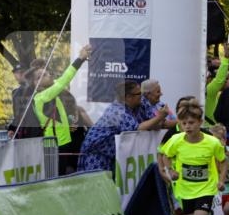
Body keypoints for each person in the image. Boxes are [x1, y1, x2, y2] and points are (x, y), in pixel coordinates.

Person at [78, 80, 168, 173]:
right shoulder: (117, 111)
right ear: (128, 97)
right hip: (96, 155)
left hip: (108, 155)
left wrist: (158, 120)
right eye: (139, 94)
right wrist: (160, 117)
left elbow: (151, 124)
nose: (142, 97)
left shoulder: (133, 107)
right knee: (99, 185)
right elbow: (137, 128)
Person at [32, 45, 92, 174]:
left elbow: (63, 79)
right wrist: (80, 59)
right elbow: (64, 80)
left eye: (47, 73)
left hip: (63, 142)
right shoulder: (41, 98)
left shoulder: (51, 91)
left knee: (63, 176)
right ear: (36, 83)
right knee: (55, 178)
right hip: (53, 145)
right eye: (43, 75)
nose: (49, 75)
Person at [205, 40, 229, 124]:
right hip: (211, 130)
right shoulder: (208, 91)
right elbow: (219, 80)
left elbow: (219, 80)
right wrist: (226, 58)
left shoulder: (208, 91)